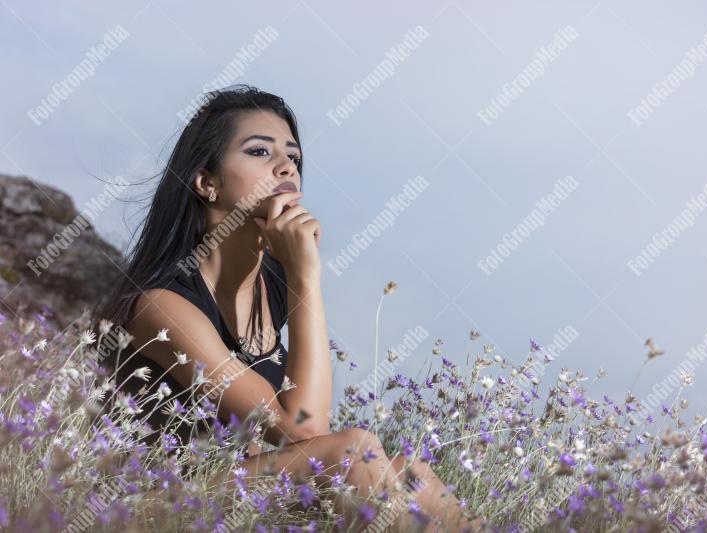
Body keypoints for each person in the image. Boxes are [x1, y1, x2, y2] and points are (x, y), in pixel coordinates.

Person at [90, 85, 482, 531]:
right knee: (350, 454)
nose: (286, 168)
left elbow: (296, 442)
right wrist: (306, 278)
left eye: (293, 157)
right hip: (153, 509)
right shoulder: (161, 304)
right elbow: (304, 431)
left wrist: (294, 279)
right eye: (259, 151)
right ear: (206, 182)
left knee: (413, 474)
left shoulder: (272, 284)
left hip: (246, 494)